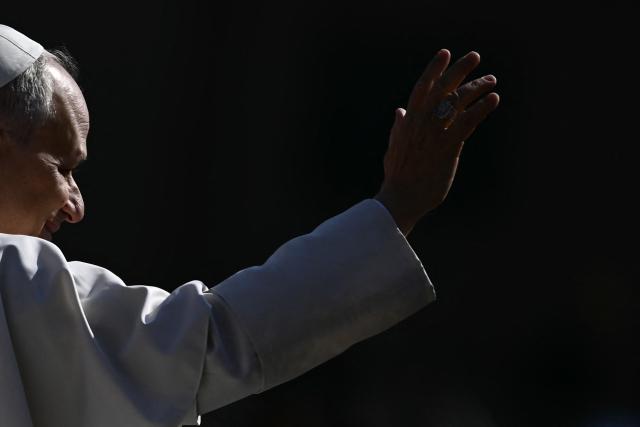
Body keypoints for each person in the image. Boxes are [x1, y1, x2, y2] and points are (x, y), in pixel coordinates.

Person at [0, 24, 499, 427]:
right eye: (62, 167)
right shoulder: (12, 273)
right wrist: (399, 205)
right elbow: (211, 344)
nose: (75, 206)